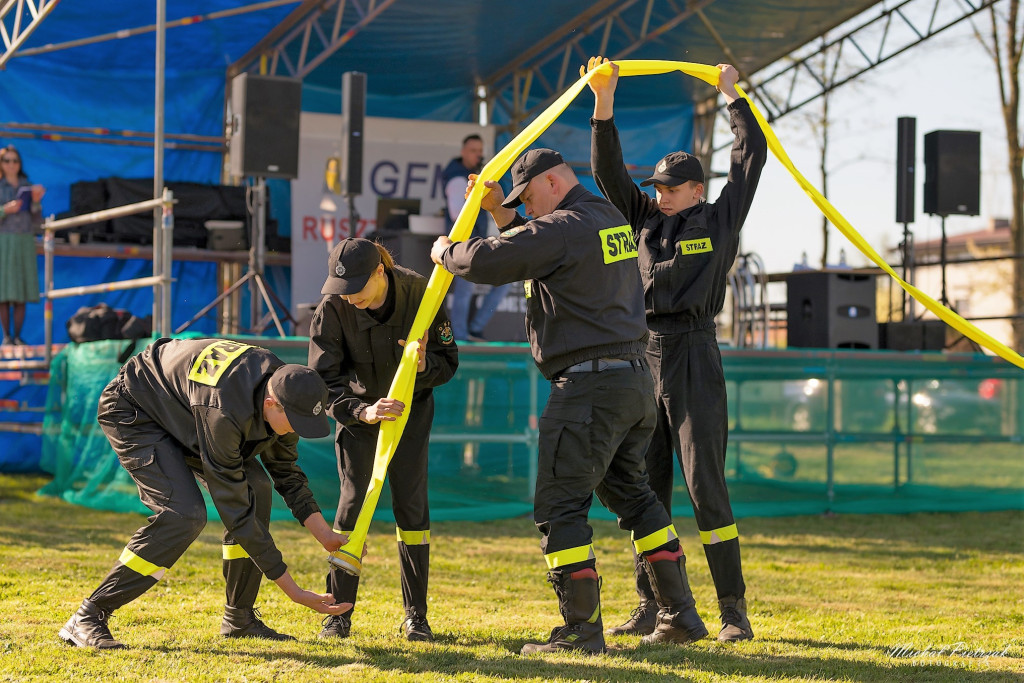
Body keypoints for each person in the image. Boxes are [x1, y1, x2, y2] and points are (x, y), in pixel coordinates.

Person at [430, 148, 708, 654]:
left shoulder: (560, 226)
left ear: (554, 184)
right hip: (631, 384)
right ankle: (680, 615)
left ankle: (581, 630)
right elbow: (539, 240)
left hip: (587, 389)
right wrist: (499, 211)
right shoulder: (604, 216)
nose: (528, 209)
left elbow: (492, 260)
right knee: (635, 498)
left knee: (559, 507)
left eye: (530, 198)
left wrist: (446, 250)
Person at [585, 56, 768, 642]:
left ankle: (732, 611)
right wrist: (603, 102)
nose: (658, 196)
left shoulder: (720, 219)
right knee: (645, 486)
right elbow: (610, 174)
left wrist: (732, 95)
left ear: (696, 188)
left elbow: (750, 157)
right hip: (644, 356)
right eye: (656, 188)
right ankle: (655, 605)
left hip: (693, 352)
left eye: (669, 188)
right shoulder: (644, 220)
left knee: (704, 483)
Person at [59, 338, 352, 650]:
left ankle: (239, 619)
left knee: (257, 488)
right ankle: (88, 616)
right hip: (136, 409)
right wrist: (293, 590)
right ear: (271, 403)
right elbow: (235, 511)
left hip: (185, 412)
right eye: (296, 423)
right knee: (183, 515)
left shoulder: (285, 387)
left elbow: (286, 472)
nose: (297, 431)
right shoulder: (224, 409)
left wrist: (326, 536)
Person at [308, 238, 458, 642]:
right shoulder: (334, 306)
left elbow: (449, 362)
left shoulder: (421, 295)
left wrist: (425, 365)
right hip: (358, 418)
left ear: (380, 272)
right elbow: (323, 381)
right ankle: (338, 614)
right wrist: (362, 412)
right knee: (352, 505)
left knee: (411, 509)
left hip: (411, 413)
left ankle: (416, 618)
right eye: (340, 288)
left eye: (356, 287)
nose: (348, 297)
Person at [441, 134, 509, 341]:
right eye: (473, 151)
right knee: (464, 288)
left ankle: (473, 329)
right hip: (466, 241)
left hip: (480, 240)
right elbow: (457, 213)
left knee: (505, 281)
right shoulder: (457, 177)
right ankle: (461, 335)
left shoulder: (478, 175)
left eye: (480, 151)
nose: (478, 155)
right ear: (463, 152)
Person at [0, 145, 45, 346]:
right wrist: (4, 210)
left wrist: (35, 202)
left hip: (25, 240)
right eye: (6, 160)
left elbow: (37, 221)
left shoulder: (27, 185)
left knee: (22, 291)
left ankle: (17, 337)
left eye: (15, 160)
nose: (11, 165)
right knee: (4, 292)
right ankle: (7, 337)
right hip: (4, 242)